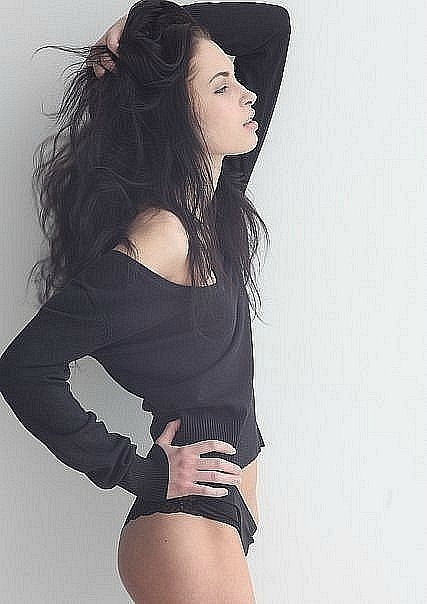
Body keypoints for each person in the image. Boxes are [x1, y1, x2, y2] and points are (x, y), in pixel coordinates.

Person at [0, 1, 291, 601]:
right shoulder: (157, 241)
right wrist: (135, 471)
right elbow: (24, 369)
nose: (247, 95)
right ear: (177, 116)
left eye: (235, 78)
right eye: (221, 86)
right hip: (183, 522)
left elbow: (272, 29)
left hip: (218, 514)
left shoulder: (216, 197)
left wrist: (143, 34)